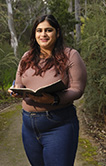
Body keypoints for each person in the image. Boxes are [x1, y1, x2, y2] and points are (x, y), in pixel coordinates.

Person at [9, 14, 87, 166]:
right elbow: (18, 83)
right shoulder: (26, 57)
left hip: (59, 125)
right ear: (34, 34)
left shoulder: (70, 55)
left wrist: (54, 99)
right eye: (39, 30)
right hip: (28, 126)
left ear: (57, 33)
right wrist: (16, 90)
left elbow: (78, 89)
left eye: (48, 30)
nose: (43, 34)